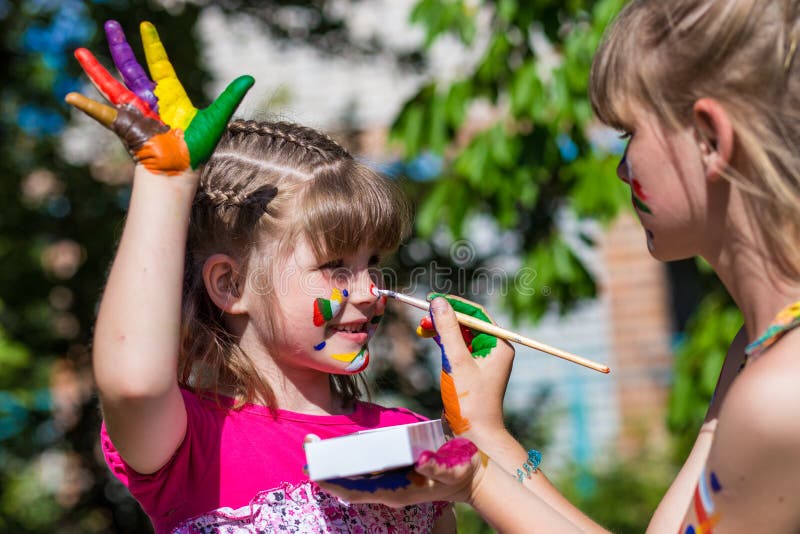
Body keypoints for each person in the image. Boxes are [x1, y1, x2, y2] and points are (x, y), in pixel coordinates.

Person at [319, 0, 800, 532]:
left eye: (628, 135)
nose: (620, 168)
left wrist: (477, 480)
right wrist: (486, 434)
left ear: (710, 138)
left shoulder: (781, 395)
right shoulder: (755, 354)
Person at [67, 20, 455, 533]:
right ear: (230, 285)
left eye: (372, 264)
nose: (369, 293)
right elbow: (133, 383)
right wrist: (166, 181)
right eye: (336, 267)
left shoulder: (406, 438)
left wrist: (480, 428)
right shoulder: (193, 444)